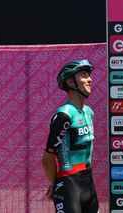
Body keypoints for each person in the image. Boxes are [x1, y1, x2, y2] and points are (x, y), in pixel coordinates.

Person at [42, 59, 99, 213]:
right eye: (84, 75)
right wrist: (57, 184)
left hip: (88, 183)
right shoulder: (64, 115)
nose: (90, 79)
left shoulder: (89, 112)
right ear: (70, 82)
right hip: (69, 185)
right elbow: (47, 159)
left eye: (89, 75)